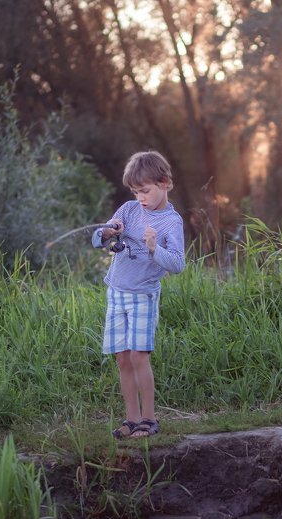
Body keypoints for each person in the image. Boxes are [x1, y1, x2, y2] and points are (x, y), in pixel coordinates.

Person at [92, 151, 186, 439]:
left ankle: (149, 419)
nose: (140, 196)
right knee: (122, 357)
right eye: (135, 191)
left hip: (144, 295)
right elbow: (97, 239)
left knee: (138, 356)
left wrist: (154, 249)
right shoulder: (129, 210)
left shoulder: (172, 222)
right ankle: (131, 420)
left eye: (145, 190)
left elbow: (178, 264)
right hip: (116, 292)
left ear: (165, 183)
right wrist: (107, 231)